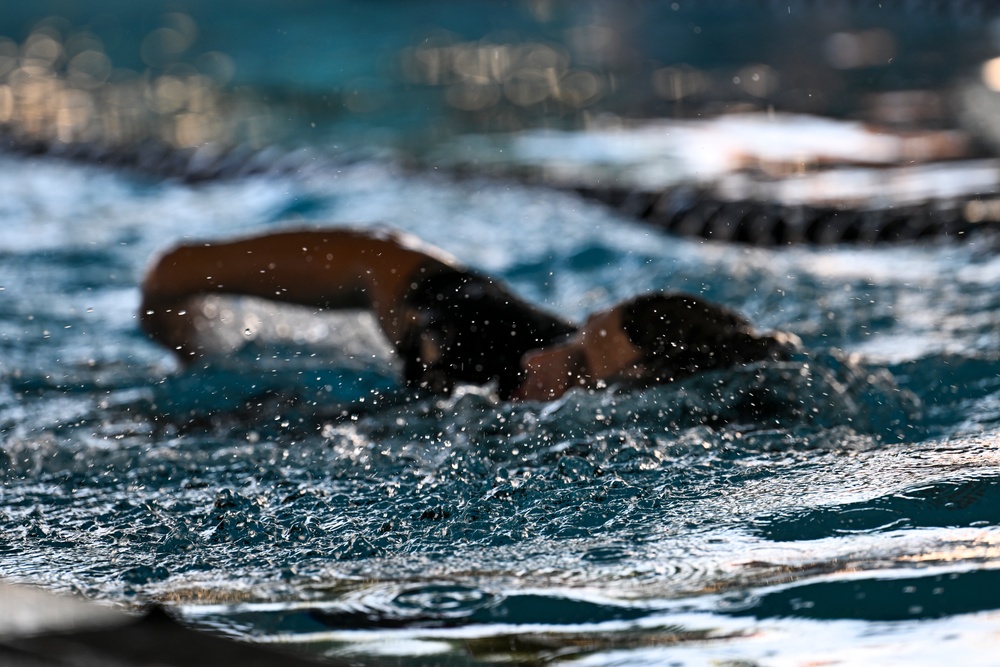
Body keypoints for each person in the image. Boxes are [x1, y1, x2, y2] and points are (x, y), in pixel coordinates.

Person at [139, 227, 797, 401]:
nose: (542, 359)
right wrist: (180, 314)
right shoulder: (476, 338)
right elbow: (378, 259)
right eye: (573, 336)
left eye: (575, 367)